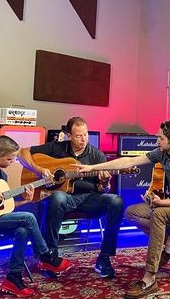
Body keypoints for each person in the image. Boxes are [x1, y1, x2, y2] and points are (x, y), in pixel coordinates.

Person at [73, 120, 170, 298]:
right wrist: (92, 168)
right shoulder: (162, 154)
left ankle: (149, 278)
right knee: (132, 212)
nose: (157, 141)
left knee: (159, 214)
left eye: (160, 138)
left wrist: (159, 203)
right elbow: (129, 161)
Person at [0, 135, 72, 297]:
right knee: (28, 218)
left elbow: (4, 209)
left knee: (23, 231)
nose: (12, 162)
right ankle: (46, 256)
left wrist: (26, 201)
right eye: (10, 159)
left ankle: (13, 278)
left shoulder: (2, 177)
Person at [18, 116, 124, 278]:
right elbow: (22, 152)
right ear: (69, 135)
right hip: (66, 198)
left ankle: (104, 257)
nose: (84, 139)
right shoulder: (57, 148)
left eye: (86, 134)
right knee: (58, 197)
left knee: (116, 201)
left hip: (90, 198)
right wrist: (40, 170)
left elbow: (103, 190)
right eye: (79, 136)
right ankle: (50, 255)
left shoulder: (97, 156)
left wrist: (105, 182)